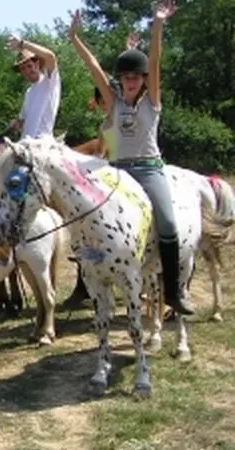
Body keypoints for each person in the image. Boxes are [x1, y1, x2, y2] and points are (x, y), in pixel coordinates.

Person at [68, 1, 194, 315]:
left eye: (135, 76)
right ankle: (92, 274)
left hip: (150, 169)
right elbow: (93, 68)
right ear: (120, 80)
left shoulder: (152, 101)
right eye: (125, 77)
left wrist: (158, 23)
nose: (130, 80)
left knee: (167, 222)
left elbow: (154, 61)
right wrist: (74, 38)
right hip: (119, 171)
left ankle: (174, 290)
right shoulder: (112, 103)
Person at [65, 32, 141, 307]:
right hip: (113, 173)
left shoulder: (138, 107)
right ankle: (89, 269)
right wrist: (75, 41)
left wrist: (130, 51)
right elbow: (94, 68)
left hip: (137, 171)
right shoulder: (108, 117)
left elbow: (138, 71)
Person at [6, 34, 61, 139]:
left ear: (37, 64)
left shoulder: (49, 81)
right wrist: (16, 124)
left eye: (29, 66)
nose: (27, 71)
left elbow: (50, 56)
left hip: (42, 143)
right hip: (26, 143)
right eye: (22, 69)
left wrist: (22, 44)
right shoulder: (29, 92)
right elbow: (24, 120)